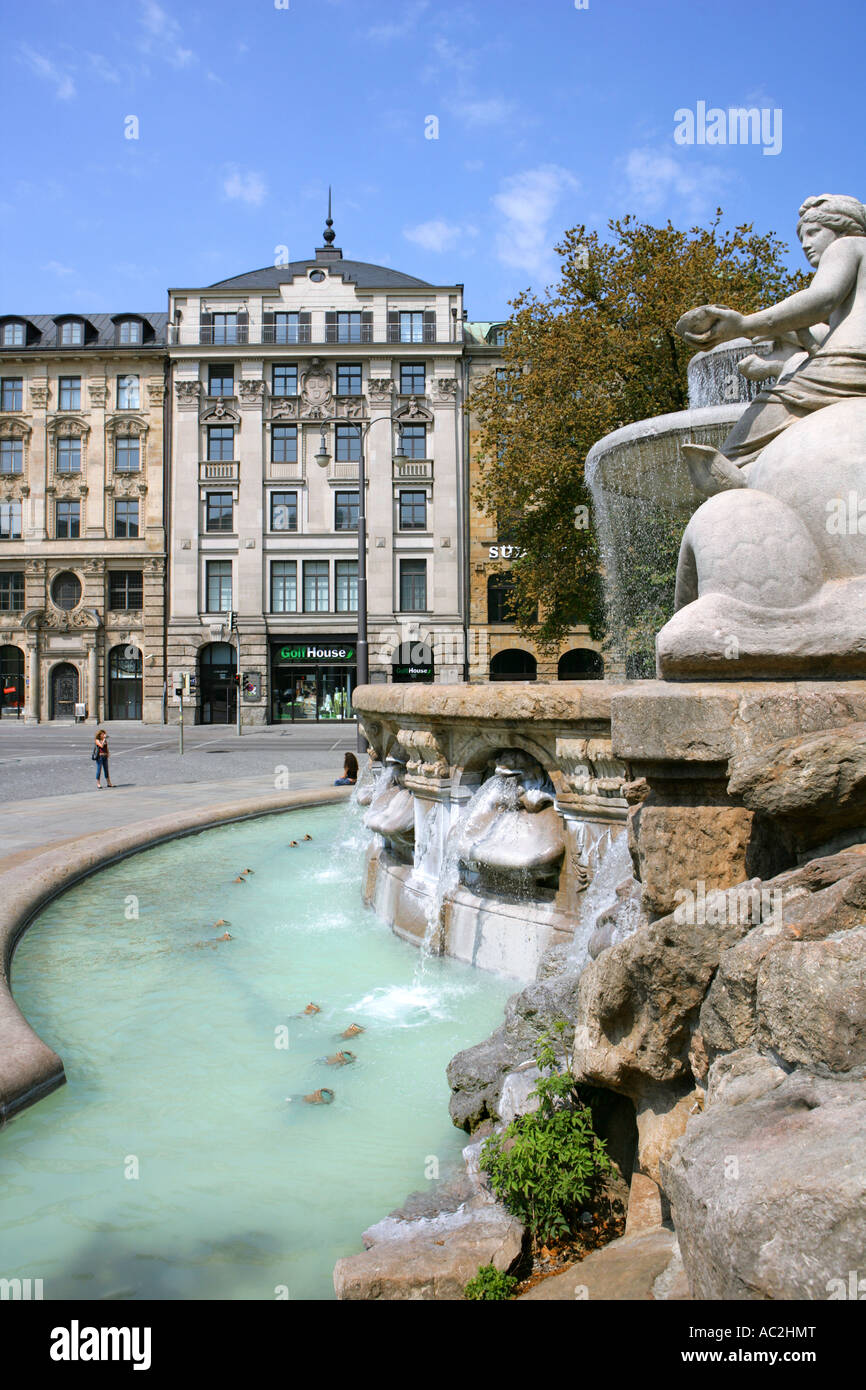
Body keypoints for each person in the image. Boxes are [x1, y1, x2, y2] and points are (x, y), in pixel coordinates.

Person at [677, 193, 866, 490]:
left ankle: (736, 472)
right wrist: (783, 331)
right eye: (802, 236)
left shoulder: (847, 245)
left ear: (843, 227)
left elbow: (822, 299)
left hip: (849, 363)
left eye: (814, 232)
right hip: (848, 360)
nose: (806, 243)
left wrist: (744, 325)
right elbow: (824, 334)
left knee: (764, 409)